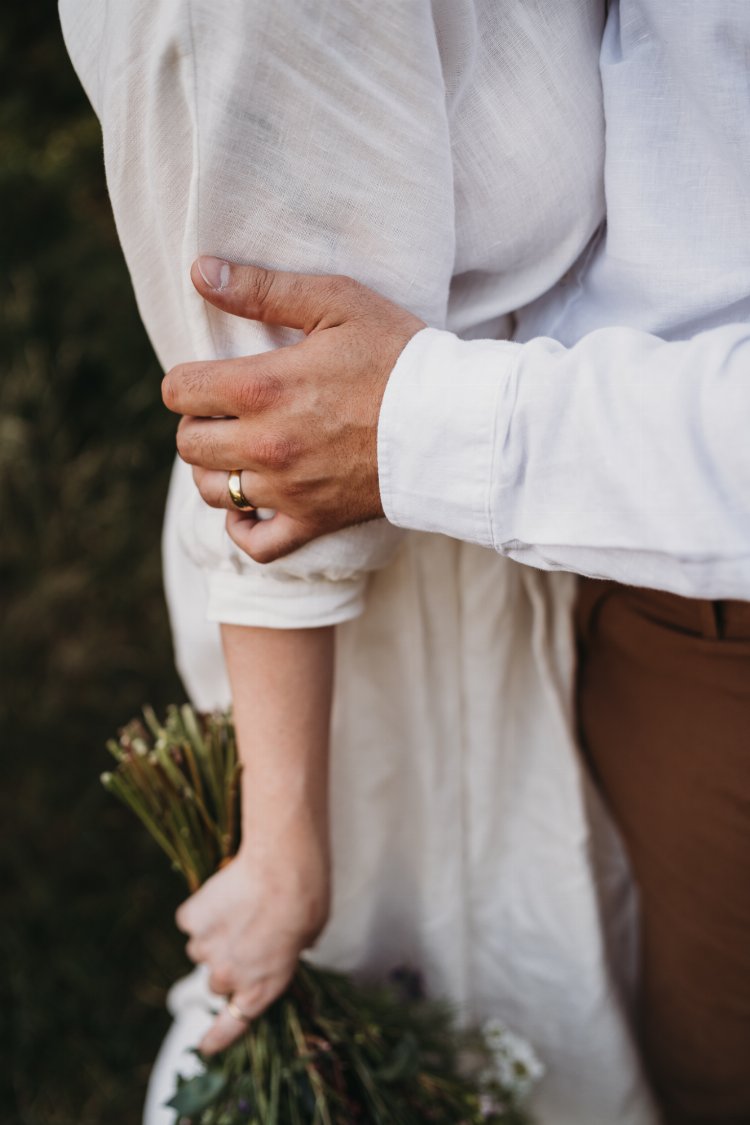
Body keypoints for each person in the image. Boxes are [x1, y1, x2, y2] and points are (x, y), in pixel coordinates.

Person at [57, 1, 697, 1122]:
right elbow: (265, 428)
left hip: (527, 526)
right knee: (405, 986)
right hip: (367, 629)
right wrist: (286, 843)